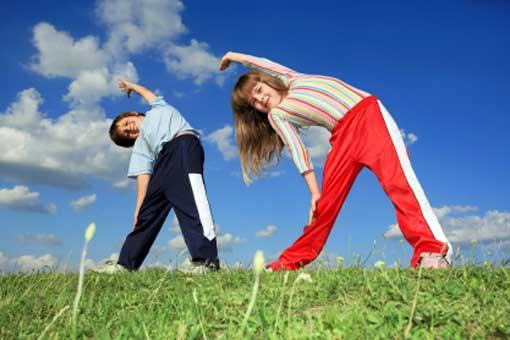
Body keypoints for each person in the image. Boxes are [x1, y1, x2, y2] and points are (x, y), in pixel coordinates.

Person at [219, 52, 452, 270]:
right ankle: (289, 262)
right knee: (324, 207)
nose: (261, 99)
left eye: (259, 90)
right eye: (255, 102)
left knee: (398, 182)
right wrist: (314, 193)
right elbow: (298, 150)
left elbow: (262, 63)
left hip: (369, 117)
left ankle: (432, 251)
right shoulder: (277, 115)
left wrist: (233, 56)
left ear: (267, 81)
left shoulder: (292, 78)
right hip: (341, 139)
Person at [95, 79, 219, 274]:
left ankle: (206, 262)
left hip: (184, 145)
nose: (130, 130)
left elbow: (146, 91)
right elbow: (143, 175)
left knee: (192, 203)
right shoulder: (141, 146)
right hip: (163, 161)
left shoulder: (158, 108)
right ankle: (126, 264)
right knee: (147, 215)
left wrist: (131, 86)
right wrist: (139, 209)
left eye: (128, 124)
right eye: (127, 134)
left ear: (133, 114)